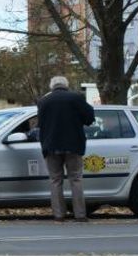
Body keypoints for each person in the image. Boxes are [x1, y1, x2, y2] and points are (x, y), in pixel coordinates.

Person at [36, 75, 95, 222]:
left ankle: (59, 215)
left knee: (55, 180)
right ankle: (80, 214)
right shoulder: (76, 98)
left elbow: (40, 125)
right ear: (66, 85)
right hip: (73, 145)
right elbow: (90, 118)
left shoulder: (43, 101)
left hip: (51, 146)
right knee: (76, 179)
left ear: (52, 86)